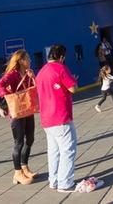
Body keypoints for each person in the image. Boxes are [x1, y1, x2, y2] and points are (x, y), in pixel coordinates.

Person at [34, 44, 78, 193]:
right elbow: (72, 88)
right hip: (61, 116)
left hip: (46, 119)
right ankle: (65, 182)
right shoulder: (61, 68)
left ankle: (53, 180)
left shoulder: (41, 72)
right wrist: (74, 81)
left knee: (53, 151)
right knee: (68, 149)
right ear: (61, 57)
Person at [0, 50, 38, 184]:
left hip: (27, 110)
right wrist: (8, 95)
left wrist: (32, 77)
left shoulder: (27, 73)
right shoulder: (13, 74)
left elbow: (32, 89)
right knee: (18, 143)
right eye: (27, 58)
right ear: (20, 61)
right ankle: (17, 172)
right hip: (17, 113)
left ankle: (24, 167)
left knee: (30, 139)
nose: (29, 60)